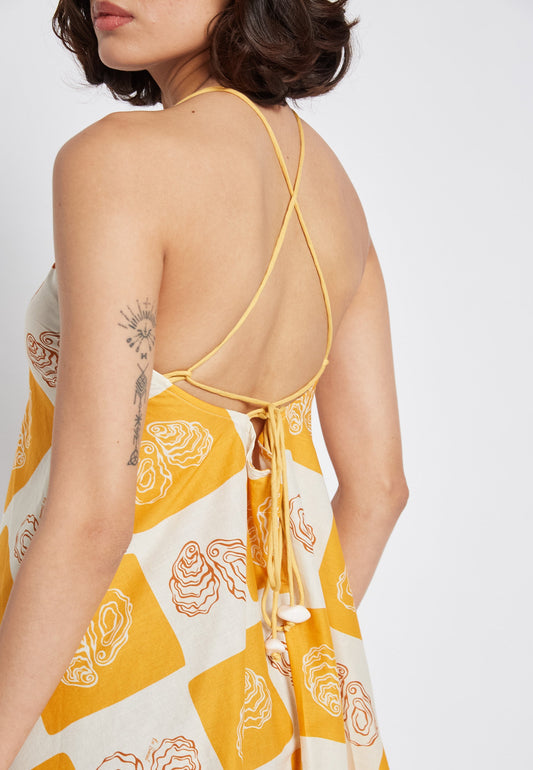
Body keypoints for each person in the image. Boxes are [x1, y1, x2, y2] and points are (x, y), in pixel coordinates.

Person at [0, 0, 409, 767]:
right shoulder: (334, 190)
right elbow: (380, 489)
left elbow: (93, 520)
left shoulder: (117, 160)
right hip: (290, 720)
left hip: (108, 700)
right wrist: (258, 655)